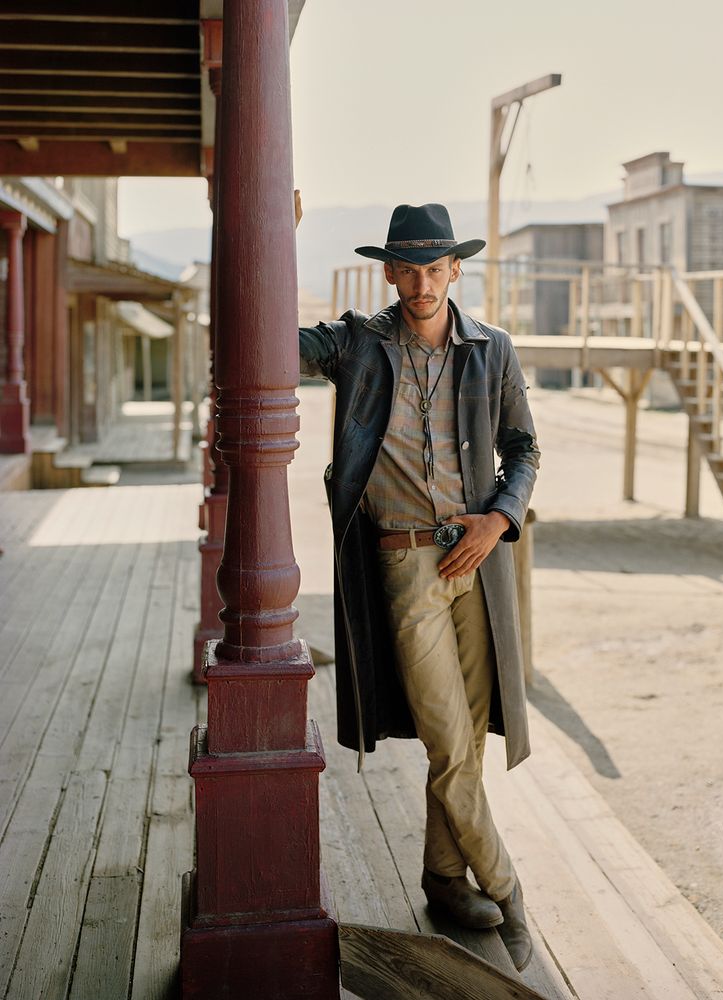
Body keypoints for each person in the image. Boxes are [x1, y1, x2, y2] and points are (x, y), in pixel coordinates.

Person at [299, 203, 540, 970]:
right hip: (405, 566)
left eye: (434, 267)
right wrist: (276, 231)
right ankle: (507, 888)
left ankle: (443, 877)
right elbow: (271, 340)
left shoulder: (491, 350)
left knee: (463, 740)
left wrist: (498, 519)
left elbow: (524, 448)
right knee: (447, 739)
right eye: (406, 268)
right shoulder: (359, 344)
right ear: (389, 272)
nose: (421, 282)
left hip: (478, 559)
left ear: (455, 270)